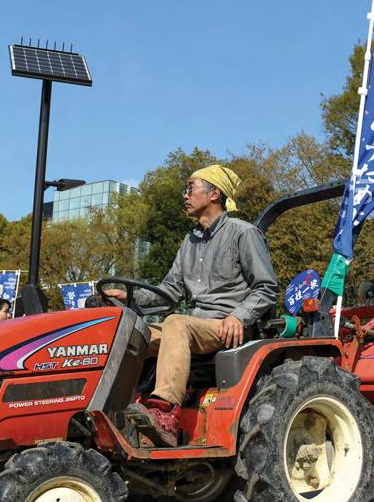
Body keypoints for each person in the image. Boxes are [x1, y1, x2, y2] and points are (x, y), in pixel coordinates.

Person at [119, 165, 279, 447]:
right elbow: (169, 291)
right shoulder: (188, 242)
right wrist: (128, 297)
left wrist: (239, 317)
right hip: (193, 324)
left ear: (214, 193)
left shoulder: (243, 233)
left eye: (190, 188)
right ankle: (118, 410)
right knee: (130, 333)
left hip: (225, 325)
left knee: (176, 323)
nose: (185, 196)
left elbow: (266, 288)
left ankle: (165, 415)